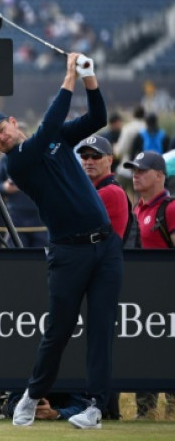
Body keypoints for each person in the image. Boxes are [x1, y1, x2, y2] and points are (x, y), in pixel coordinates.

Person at [0, 53, 122, 430]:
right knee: (58, 329)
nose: (1, 138)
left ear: (11, 122)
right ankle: (31, 395)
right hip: (68, 251)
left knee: (102, 328)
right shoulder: (17, 163)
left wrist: (90, 78)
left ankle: (94, 407)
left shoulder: (54, 137)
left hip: (105, 246)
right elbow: (50, 125)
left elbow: (96, 120)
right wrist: (69, 75)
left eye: (1, 130)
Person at [124, 151, 175, 419]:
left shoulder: (171, 208)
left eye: (142, 170)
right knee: (144, 355)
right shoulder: (137, 209)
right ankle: (145, 411)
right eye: (134, 170)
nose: (136, 174)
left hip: (168, 297)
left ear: (159, 175)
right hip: (142, 300)